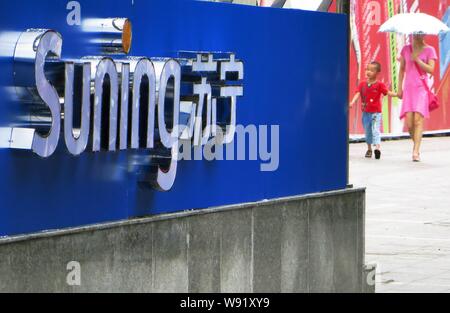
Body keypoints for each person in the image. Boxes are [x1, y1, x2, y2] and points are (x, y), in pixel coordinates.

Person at [398, 34, 438, 162]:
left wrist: (418, 60)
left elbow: (431, 70)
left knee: (418, 120)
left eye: (420, 32)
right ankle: (417, 144)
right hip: (409, 89)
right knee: (409, 124)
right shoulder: (406, 49)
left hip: (421, 89)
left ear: (424, 34)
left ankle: (415, 151)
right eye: (415, 32)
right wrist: (399, 88)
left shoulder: (430, 50)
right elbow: (402, 70)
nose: (417, 35)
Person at [350, 61, 398, 160]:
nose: (368, 72)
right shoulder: (362, 84)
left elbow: (387, 92)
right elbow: (357, 93)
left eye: (371, 70)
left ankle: (377, 148)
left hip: (376, 113)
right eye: (367, 69)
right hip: (365, 113)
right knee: (368, 132)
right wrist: (352, 102)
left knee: (375, 130)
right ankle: (369, 149)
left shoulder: (380, 85)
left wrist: (397, 95)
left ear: (377, 73)